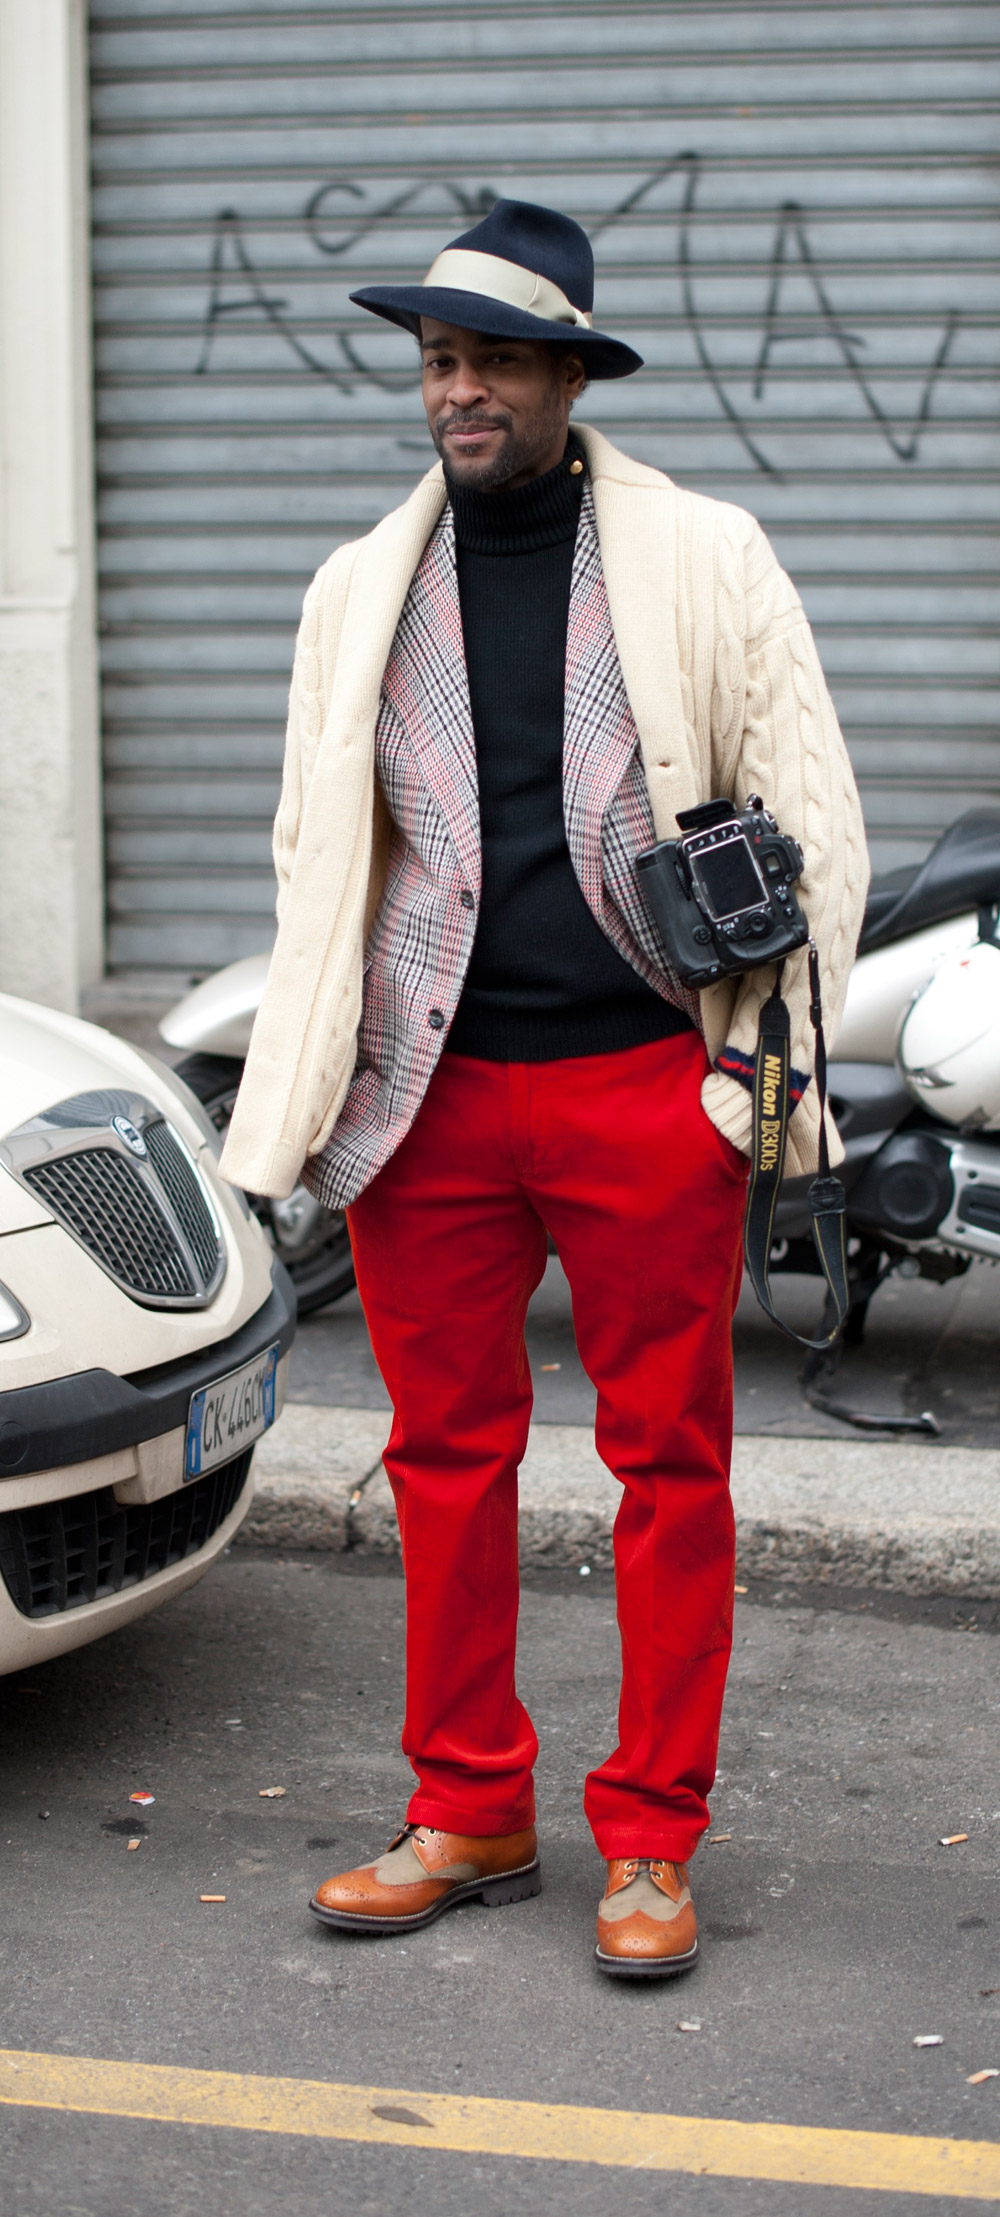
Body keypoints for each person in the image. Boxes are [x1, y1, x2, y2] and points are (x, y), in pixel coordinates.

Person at [221, 198, 868, 1979]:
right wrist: (318, 1073)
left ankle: (651, 1836)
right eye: (441, 360)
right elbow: (313, 853)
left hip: (644, 1082)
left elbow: (812, 823)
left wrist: (746, 1074)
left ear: (570, 376)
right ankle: (468, 1806)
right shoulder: (360, 585)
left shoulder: (704, 556)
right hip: (429, 1098)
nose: (462, 390)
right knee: (443, 1458)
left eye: (497, 360)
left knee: (671, 1464)